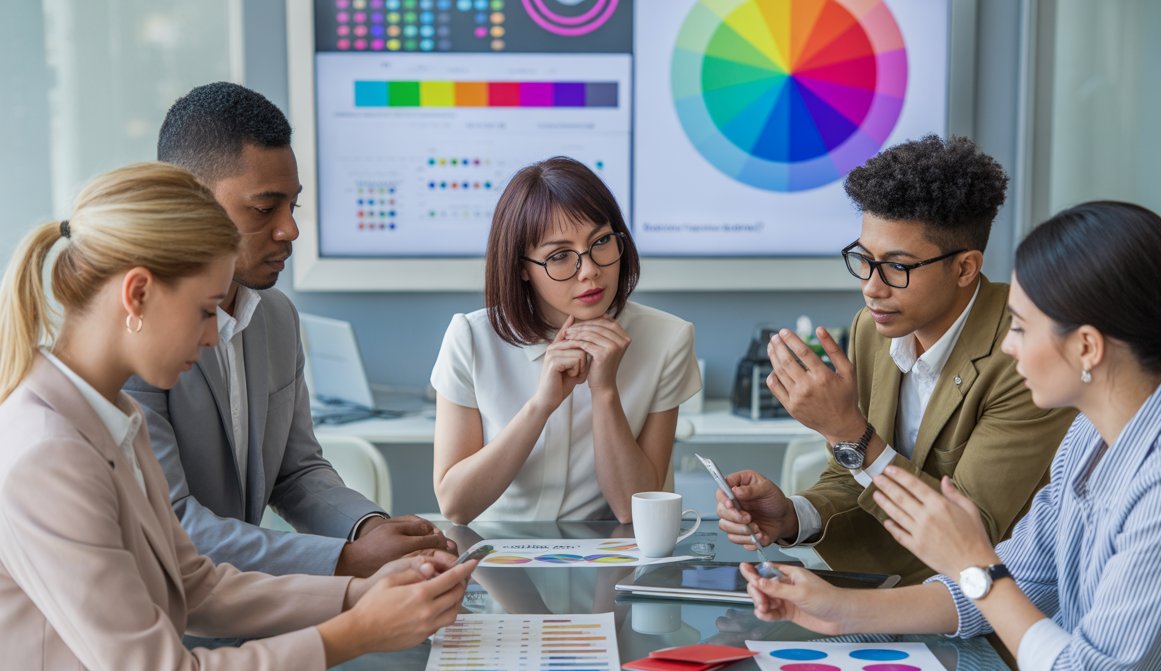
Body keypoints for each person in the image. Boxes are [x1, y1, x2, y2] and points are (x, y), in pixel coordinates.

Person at [0, 162, 476, 671]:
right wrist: (355, 632)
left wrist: (357, 594)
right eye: (205, 311)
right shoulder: (47, 451)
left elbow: (195, 584)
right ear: (136, 294)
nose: (214, 334)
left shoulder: (109, 416)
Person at [742, 201, 1161, 671]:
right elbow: (1010, 581)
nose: (1010, 348)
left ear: (1086, 347)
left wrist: (977, 565)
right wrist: (835, 607)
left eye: (1019, 327)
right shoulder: (1086, 441)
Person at [124, 82, 447, 578]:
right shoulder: (138, 330)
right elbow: (173, 522)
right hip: (160, 614)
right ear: (185, 199)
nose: (289, 230)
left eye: (292, 207)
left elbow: (295, 471)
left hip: (242, 606)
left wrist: (369, 528)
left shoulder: (276, 317)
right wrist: (345, 561)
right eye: (262, 209)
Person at [717, 135, 1074, 584]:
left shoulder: (1024, 356)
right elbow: (853, 473)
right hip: (890, 597)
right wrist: (794, 516)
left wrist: (846, 430)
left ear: (965, 267)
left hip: (992, 610)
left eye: (897, 267)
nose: (872, 286)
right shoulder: (873, 328)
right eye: (865, 259)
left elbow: (971, 533)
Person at [431, 156, 701, 523]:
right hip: (496, 558)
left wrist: (605, 392)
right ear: (522, 269)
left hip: (609, 562)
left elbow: (633, 512)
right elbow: (456, 506)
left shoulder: (668, 339)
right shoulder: (472, 338)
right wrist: (541, 405)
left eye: (602, 241)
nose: (590, 270)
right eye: (559, 256)